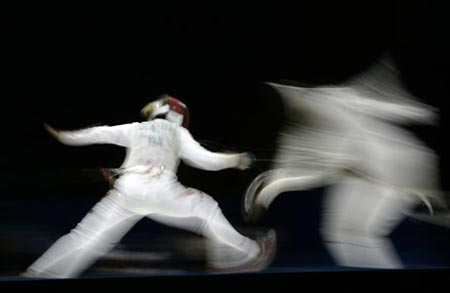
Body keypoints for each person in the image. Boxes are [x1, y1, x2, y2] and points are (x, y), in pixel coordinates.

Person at [23, 94, 276, 278]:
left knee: (86, 237)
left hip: (127, 192)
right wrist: (236, 159)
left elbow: (99, 132)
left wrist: (65, 136)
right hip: (162, 193)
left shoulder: (136, 128)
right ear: (178, 116)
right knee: (207, 209)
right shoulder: (179, 133)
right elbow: (205, 160)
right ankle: (244, 254)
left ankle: (40, 273)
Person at [243, 57, 445, 269]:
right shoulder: (295, 137)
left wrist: (418, 112)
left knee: (352, 232)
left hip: (396, 167)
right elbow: (288, 175)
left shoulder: (331, 99)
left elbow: (380, 105)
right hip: (365, 175)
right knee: (339, 233)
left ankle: (429, 203)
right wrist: (264, 196)